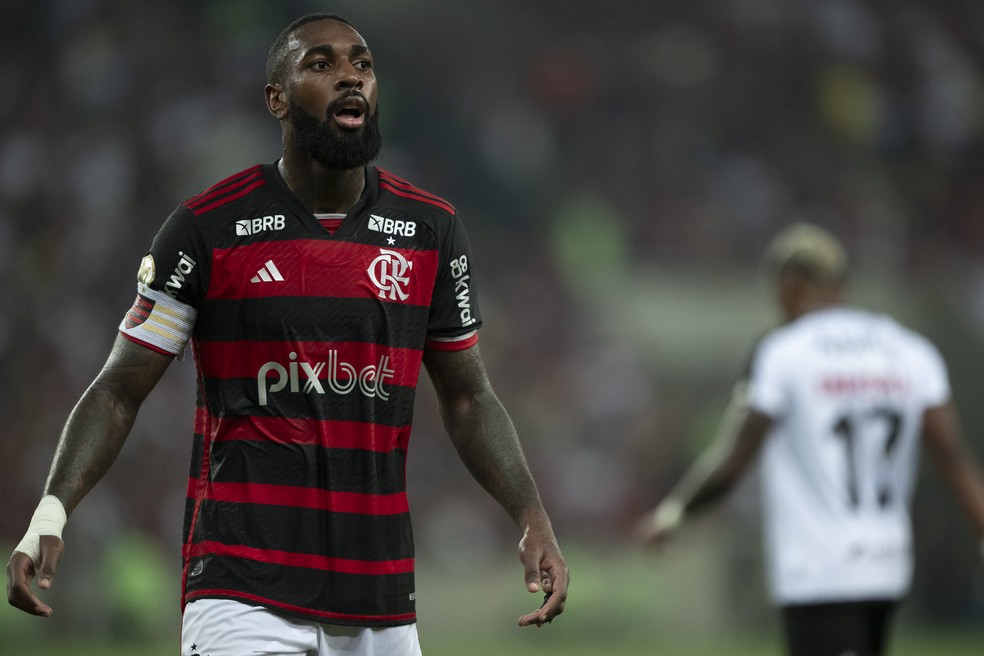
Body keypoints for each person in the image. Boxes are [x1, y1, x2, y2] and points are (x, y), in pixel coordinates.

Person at [6, 12, 568, 656]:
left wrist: (531, 516)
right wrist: (51, 510)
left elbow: (469, 398)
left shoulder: (430, 230)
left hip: (380, 605)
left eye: (362, 63)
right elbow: (117, 391)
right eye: (321, 65)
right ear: (277, 98)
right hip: (243, 592)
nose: (350, 78)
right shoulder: (207, 228)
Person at [637, 223, 984, 656]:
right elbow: (953, 458)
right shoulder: (910, 350)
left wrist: (673, 514)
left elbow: (732, 463)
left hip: (819, 566)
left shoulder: (784, 352)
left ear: (789, 285)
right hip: (887, 564)